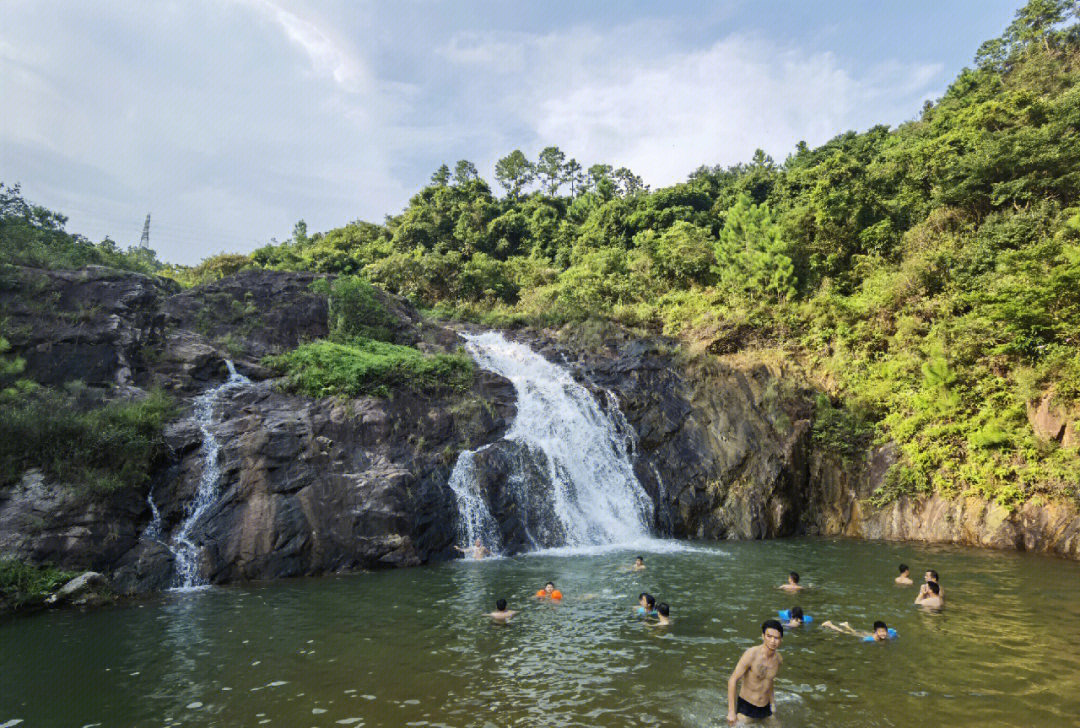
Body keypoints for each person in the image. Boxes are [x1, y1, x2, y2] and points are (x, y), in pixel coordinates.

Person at [727, 619, 783, 725]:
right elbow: (732, 680)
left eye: (776, 638)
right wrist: (731, 712)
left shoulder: (779, 659)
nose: (772, 641)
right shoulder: (751, 654)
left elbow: (770, 681)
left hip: (765, 708)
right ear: (763, 636)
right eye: (769, 636)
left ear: (781, 640)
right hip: (747, 707)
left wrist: (772, 703)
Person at [820, 620, 896, 642]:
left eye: (884, 631)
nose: (883, 634)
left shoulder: (888, 635)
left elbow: (892, 632)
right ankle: (830, 625)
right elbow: (863, 640)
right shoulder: (874, 639)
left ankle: (846, 625)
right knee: (845, 633)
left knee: (853, 631)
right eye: (880, 632)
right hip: (864, 635)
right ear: (876, 632)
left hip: (867, 633)